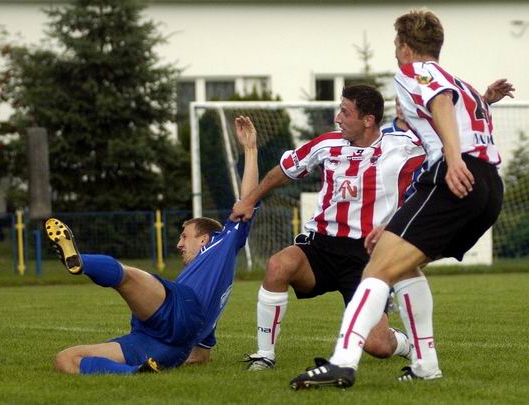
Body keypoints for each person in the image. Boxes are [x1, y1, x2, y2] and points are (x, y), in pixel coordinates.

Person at [288, 9, 515, 390]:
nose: (395, 50)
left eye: (396, 43)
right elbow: (458, 112)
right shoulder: (461, 84)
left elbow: (440, 102)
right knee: (405, 266)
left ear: (406, 47)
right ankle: (425, 364)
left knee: (377, 268)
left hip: (454, 176)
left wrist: (453, 159)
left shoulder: (415, 73)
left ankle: (342, 361)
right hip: (487, 186)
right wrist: (485, 101)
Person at [44, 116, 260, 375]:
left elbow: (248, 199)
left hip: (179, 309)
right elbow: (201, 355)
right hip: (159, 344)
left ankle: (81, 261)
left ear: (205, 239)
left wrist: (250, 149)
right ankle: (135, 372)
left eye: (184, 236)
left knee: (127, 276)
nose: (179, 244)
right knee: (66, 359)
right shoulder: (209, 285)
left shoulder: (222, 242)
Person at [232, 85, 424, 371]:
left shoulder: (403, 147)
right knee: (277, 266)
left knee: (377, 346)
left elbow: (447, 135)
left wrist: (483, 102)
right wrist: (249, 200)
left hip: (366, 257)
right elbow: (282, 172)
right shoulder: (326, 144)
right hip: (320, 246)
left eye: (345, 112)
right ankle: (264, 355)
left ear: (368, 120)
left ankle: (403, 343)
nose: (337, 118)